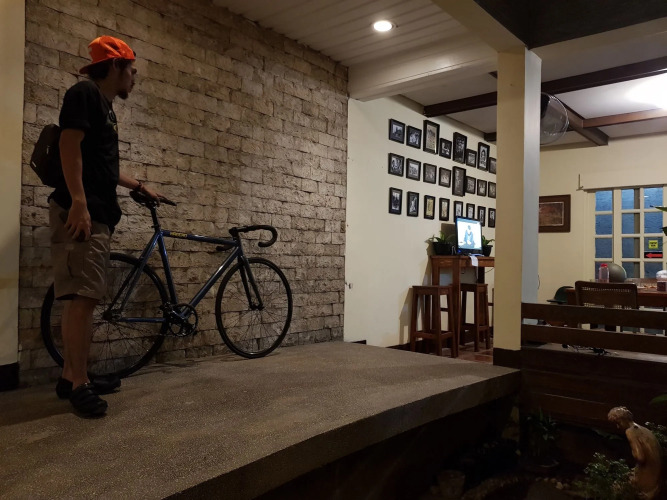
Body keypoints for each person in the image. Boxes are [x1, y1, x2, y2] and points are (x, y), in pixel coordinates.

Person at [50, 36, 162, 417]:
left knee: (81, 298)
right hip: (83, 213)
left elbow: (101, 165)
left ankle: (71, 376)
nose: (134, 78)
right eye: (132, 70)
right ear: (115, 66)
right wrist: (79, 203)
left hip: (95, 212)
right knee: (82, 300)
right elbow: (69, 145)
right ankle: (79, 384)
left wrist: (139, 185)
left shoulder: (103, 105)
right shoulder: (84, 94)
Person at [608, 407, 662, 499]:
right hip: (657, 478)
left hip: (647, 481)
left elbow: (640, 457)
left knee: (615, 488)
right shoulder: (644, 430)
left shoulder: (630, 431)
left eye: (618, 423)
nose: (618, 427)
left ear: (624, 419)